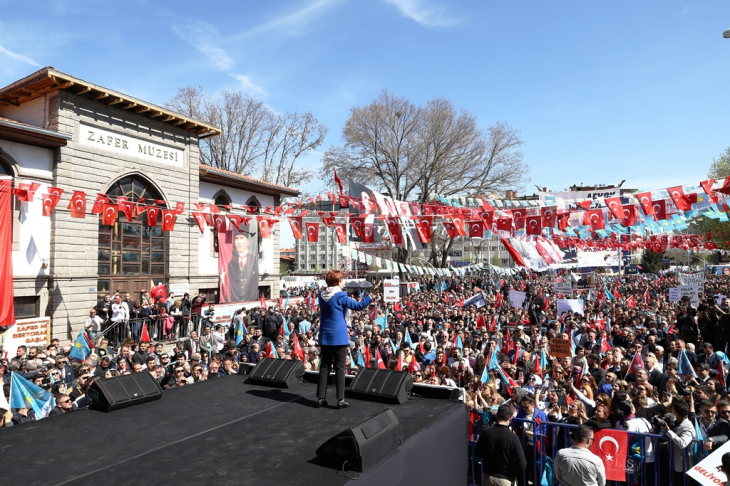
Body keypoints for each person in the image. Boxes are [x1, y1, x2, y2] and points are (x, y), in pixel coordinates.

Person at [316, 269, 379, 409]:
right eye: (341, 279)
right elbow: (358, 306)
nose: (342, 281)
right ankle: (340, 400)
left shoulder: (321, 295)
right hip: (338, 335)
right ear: (337, 281)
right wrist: (369, 296)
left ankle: (321, 398)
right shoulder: (340, 295)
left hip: (325, 335)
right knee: (339, 368)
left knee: (325, 366)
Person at [474, 404, 526, 485]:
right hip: (506, 479)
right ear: (510, 419)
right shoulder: (513, 438)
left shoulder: (486, 433)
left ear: (497, 415)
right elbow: (522, 464)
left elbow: (478, 451)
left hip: (489, 477)